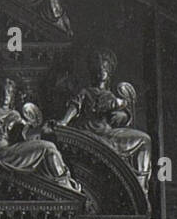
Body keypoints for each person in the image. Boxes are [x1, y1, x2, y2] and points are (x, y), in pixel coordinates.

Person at [0, 76, 81, 193]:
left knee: (49, 148)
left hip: (11, 152)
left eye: (9, 92)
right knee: (48, 148)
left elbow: (25, 134)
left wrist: (42, 128)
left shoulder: (15, 115)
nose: (5, 95)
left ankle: (64, 184)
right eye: (3, 91)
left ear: (13, 95)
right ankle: (65, 186)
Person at [56, 48, 152, 194]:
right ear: (94, 71)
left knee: (144, 140)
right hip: (90, 134)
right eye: (99, 68)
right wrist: (63, 122)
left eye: (105, 68)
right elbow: (74, 107)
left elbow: (120, 115)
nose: (102, 71)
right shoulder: (86, 92)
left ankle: (140, 186)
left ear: (109, 73)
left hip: (108, 134)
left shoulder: (112, 96)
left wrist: (123, 116)